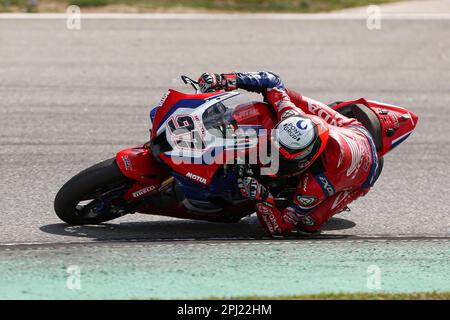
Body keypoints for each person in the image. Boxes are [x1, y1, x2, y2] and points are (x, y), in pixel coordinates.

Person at [197, 71, 381, 235]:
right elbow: (271, 81)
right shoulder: (290, 114)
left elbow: (281, 227)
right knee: (288, 96)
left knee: (308, 224)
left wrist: (262, 196)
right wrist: (223, 80)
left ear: (305, 161)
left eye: (283, 158)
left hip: (363, 172)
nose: (273, 158)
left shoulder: (316, 186)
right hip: (351, 128)